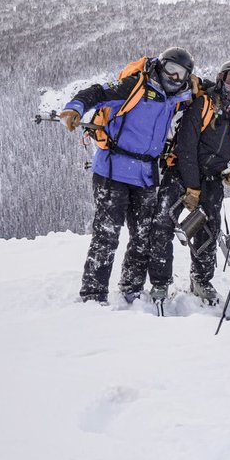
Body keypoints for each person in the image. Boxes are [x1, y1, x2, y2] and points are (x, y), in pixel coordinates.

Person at [59, 48, 196, 305]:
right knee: (107, 234)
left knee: (143, 235)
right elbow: (98, 92)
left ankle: (131, 288)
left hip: (145, 175)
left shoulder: (176, 97)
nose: (175, 78)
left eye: (181, 74)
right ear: (160, 66)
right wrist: (75, 107)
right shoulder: (135, 85)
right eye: (171, 70)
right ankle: (93, 293)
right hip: (113, 170)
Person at [148, 59, 230, 306]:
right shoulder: (204, 103)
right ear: (221, 79)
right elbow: (186, 147)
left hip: (212, 178)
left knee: (208, 231)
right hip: (180, 171)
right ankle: (160, 281)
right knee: (163, 223)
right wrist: (192, 187)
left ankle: (201, 279)